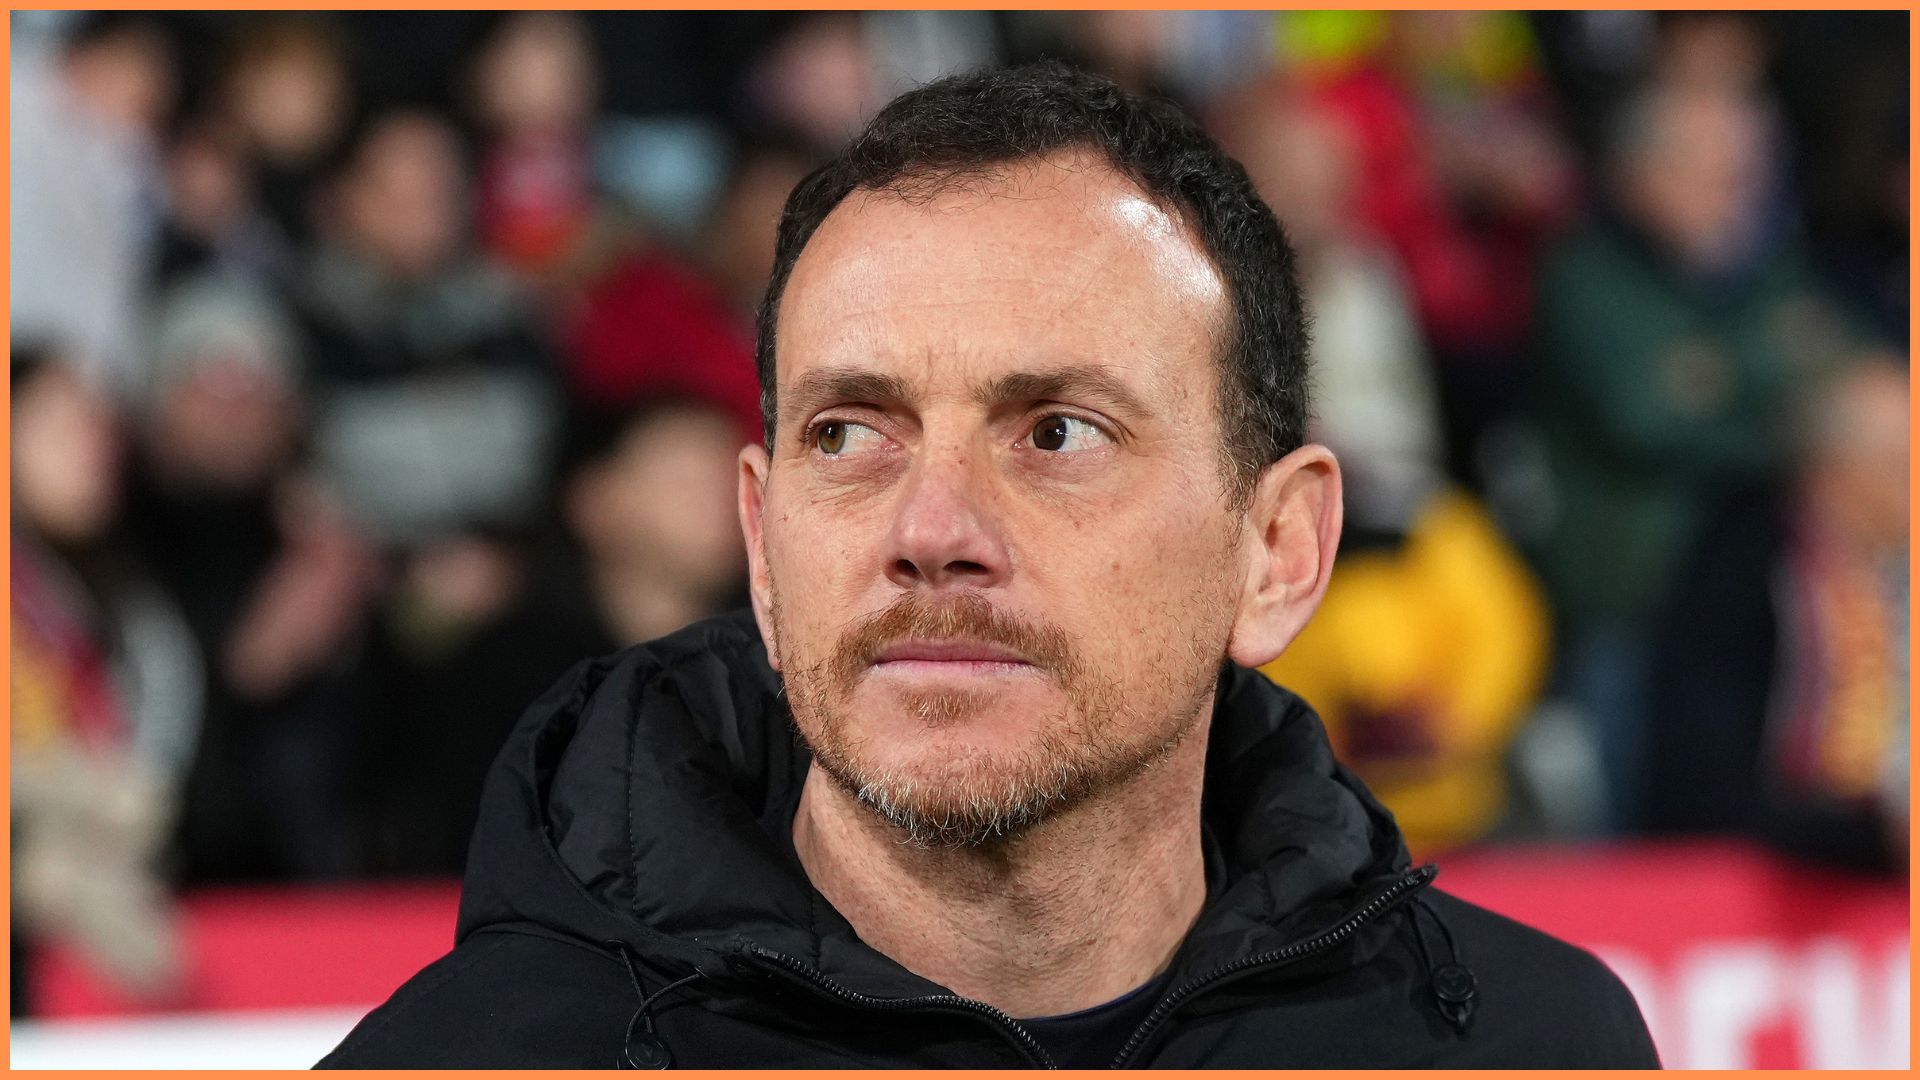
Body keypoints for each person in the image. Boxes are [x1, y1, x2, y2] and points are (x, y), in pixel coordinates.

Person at [319, 63, 1656, 1069]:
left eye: (1057, 433)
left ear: (1278, 550)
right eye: (849, 434)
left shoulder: (1533, 1044)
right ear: (763, 554)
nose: (932, 526)